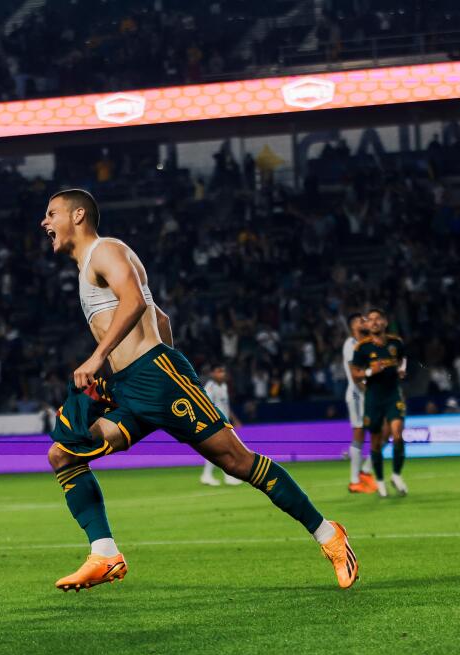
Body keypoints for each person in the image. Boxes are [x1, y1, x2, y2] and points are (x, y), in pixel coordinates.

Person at [41, 189, 357, 591]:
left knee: (237, 462)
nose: (45, 222)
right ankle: (105, 554)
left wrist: (106, 359)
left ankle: (329, 535)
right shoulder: (89, 264)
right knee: (64, 454)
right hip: (131, 387)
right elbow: (161, 315)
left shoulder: (105, 250)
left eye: (52, 213)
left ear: (79, 215)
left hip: (156, 377)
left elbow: (136, 301)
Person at [349, 308, 408, 497]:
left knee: (397, 434)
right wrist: (369, 372)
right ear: (366, 325)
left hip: (393, 395)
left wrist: (401, 370)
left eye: (378, 319)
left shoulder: (395, 343)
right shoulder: (362, 348)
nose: (374, 322)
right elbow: (355, 374)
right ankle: (380, 481)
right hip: (373, 398)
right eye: (370, 320)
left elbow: (403, 359)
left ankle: (397, 475)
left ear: (384, 322)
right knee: (375, 442)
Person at [343, 313, 377, 494]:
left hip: (369, 394)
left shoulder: (367, 344)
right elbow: (356, 376)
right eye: (359, 321)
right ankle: (355, 480)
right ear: (352, 326)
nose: (363, 323)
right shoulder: (350, 345)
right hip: (357, 395)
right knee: (359, 434)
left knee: (383, 430)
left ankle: (365, 471)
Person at [199, 364, 244, 486]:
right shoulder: (210, 387)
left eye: (223, 371)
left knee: (220, 451)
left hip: (225, 423)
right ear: (213, 374)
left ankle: (207, 475)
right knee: (223, 450)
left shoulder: (223, 386)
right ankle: (227, 476)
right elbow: (206, 406)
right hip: (215, 423)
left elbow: (226, 406)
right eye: (219, 371)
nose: (222, 374)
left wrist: (234, 420)